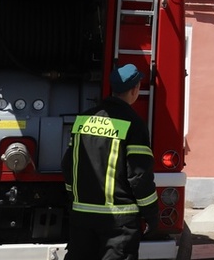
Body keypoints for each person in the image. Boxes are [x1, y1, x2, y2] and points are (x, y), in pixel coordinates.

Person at [63, 63, 159, 260]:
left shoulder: (83, 119)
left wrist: (74, 198)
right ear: (134, 89)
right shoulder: (134, 124)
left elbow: (68, 164)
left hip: (81, 216)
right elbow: (139, 176)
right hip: (118, 221)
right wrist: (151, 214)